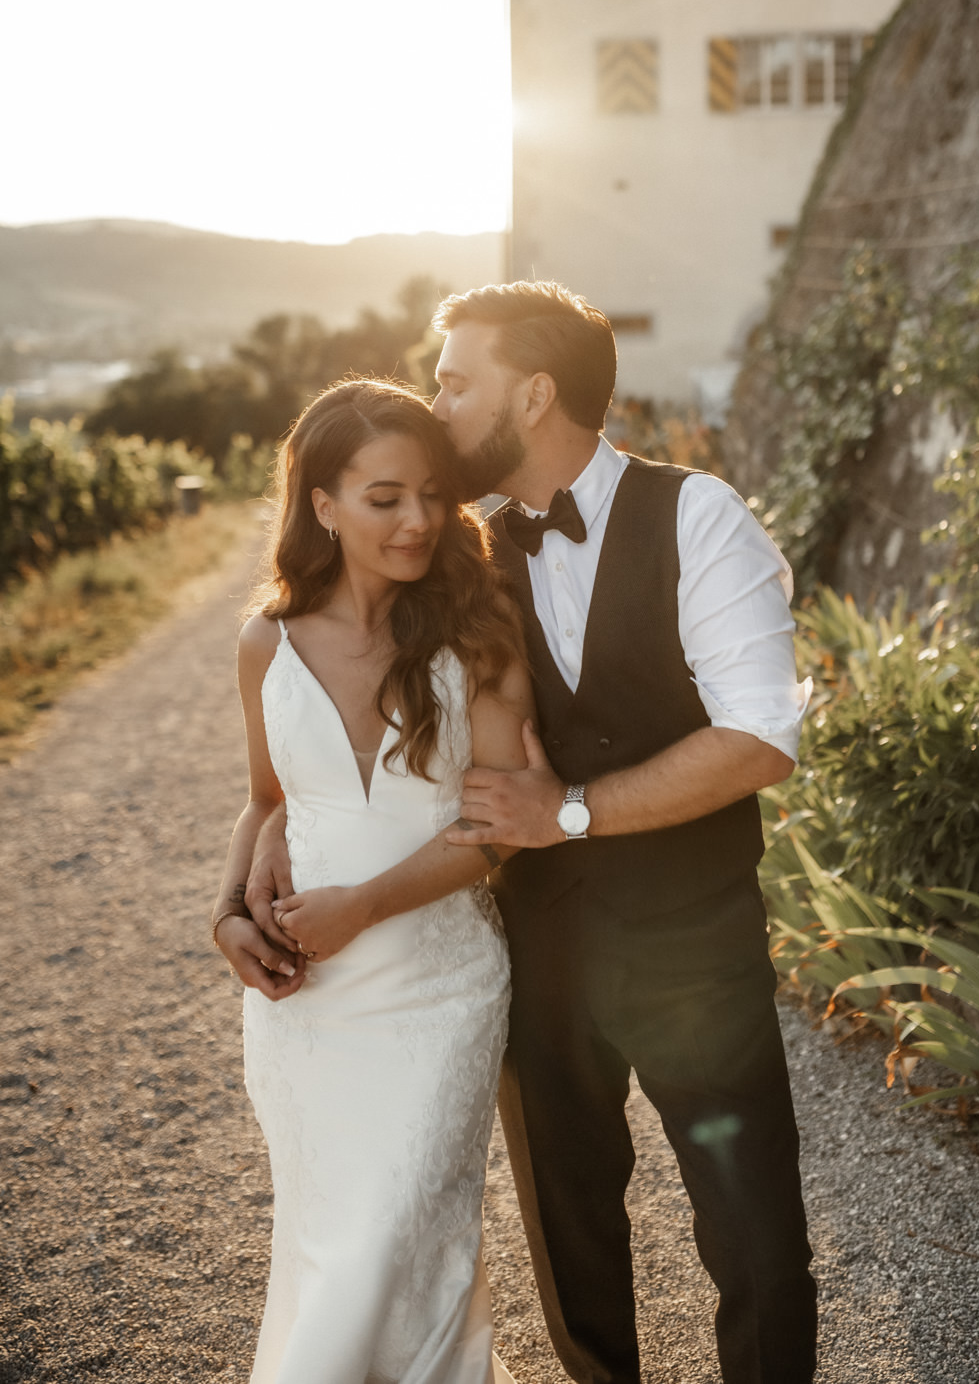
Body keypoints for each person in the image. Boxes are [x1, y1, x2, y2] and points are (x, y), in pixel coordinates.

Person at [240, 282, 818, 1384]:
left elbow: (757, 739)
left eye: (456, 382)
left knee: (752, 1233)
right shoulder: (452, 558)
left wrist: (568, 813)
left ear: (534, 392)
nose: (438, 402)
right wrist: (279, 834)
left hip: (694, 945)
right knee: (570, 1238)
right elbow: (335, 718)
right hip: (536, 947)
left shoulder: (699, 519)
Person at [210, 378, 532, 1384]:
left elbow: (502, 830)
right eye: (385, 496)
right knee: (330, 1239)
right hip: (309, 1011)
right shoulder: (266, 643)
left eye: (434, 494)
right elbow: (269, 798)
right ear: (323, 504)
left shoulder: (474, 634)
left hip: (438, 993)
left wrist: (362, 906)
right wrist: (227, 916)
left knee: (394, 1236)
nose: (420, 520)